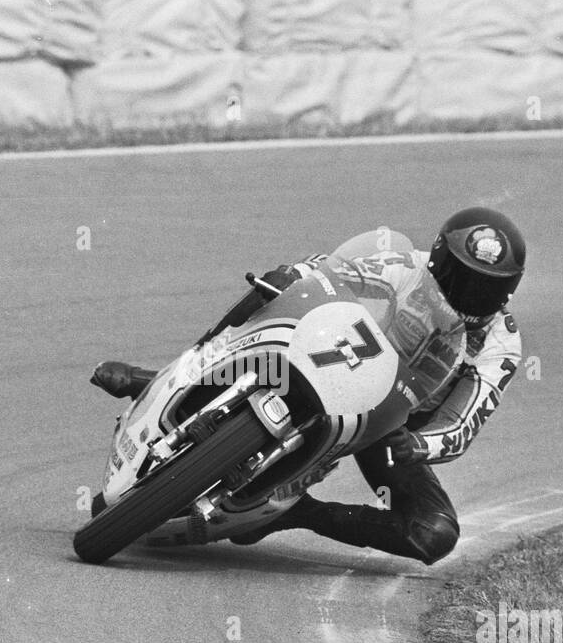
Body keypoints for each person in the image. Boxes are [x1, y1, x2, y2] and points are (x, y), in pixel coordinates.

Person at [91, 207, 525, 566]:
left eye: (486, 289)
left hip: (394, 423)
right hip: (337, 355)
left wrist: (424, 446)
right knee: (262, 304)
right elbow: (333, 272)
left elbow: (466, 417)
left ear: (507, 292)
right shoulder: (402, 266)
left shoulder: (501, 343)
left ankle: (297, 512)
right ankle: (169, 378)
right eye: (460, 275)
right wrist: (290, 274)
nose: (468, 294)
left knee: (434, 534)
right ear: (436, 256)